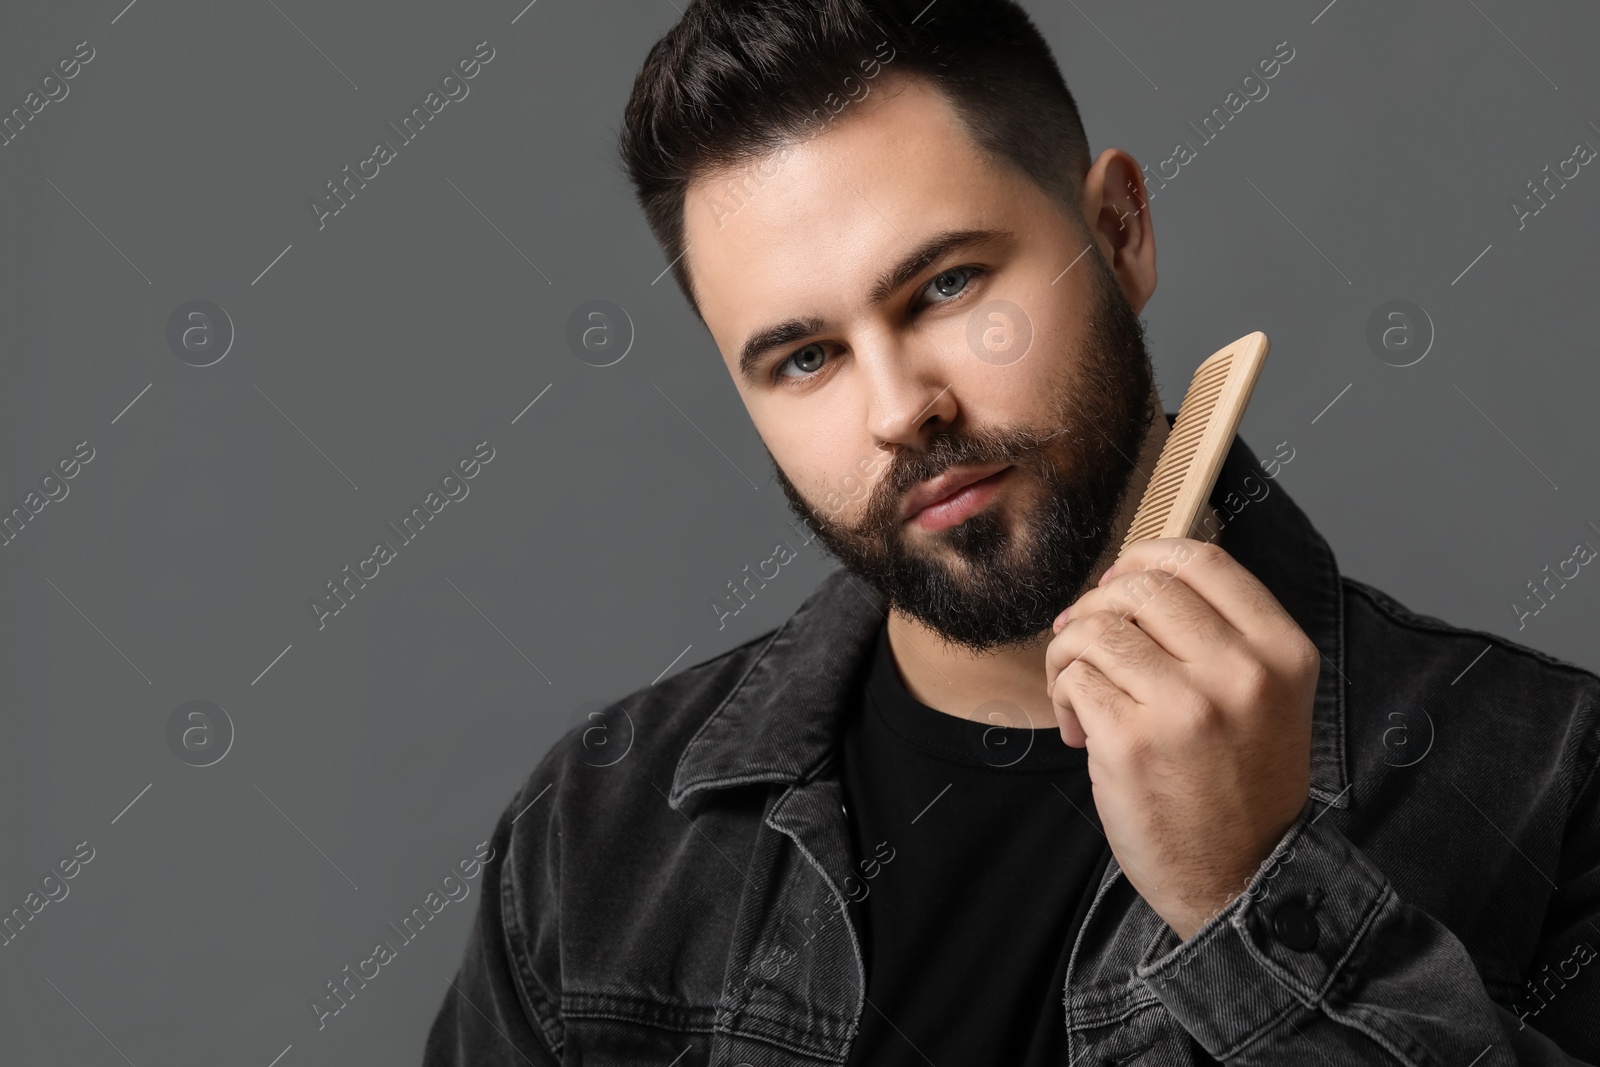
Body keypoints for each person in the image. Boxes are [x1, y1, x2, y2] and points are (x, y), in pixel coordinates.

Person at [424, 0, 1600, 1062]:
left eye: (945, 287)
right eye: (805, 357)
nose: (899, 411)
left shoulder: (1552, 774)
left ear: (1121, 230)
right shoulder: (598, 836)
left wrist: (1260, 895)